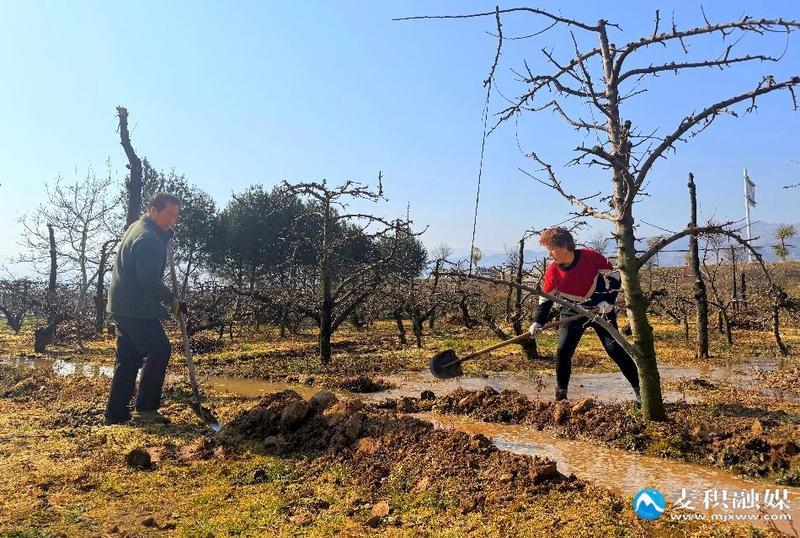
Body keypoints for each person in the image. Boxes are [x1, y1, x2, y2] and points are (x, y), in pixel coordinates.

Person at [529, 227, 640, 403]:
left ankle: (641, 393)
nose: (549, 254)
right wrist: (537, 322)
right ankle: (561, 398)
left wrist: (608, 301)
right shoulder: (553, 271)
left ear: (564, 246)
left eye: (551, 249)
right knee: (563, 352)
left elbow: (615, 276)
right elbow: (546, 299)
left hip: (601, 309)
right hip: (573, 311)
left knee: (615, 350)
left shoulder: (591, 257)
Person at [104, 192, 186, 425]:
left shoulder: (138, 227)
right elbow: (148, 281)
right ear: (153, 211)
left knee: (129, 358)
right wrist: (172, 299)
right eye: (168, 215)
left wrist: (165, 236)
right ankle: (146, 409)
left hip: (121, 304)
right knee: (160, 349)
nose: (172, 220)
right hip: (134, 306)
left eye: (175, 216)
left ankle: (115, 413)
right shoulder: (149, 239)